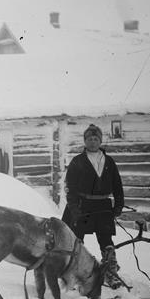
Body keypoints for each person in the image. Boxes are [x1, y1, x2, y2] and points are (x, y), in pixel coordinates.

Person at [61, 123, 125, 288]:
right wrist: (74, 208)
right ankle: (74, 273)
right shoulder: (78, 161)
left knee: (106, 240)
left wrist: (118, 205)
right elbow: (71, 187)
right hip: (83, 205)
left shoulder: (109, 161)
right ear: (85, 141)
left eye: (96, 138)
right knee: (77, 241)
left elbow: (117, 185)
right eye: (89, 138)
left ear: (100, 141)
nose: (93, 141)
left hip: (103, 206)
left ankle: (111, 274)